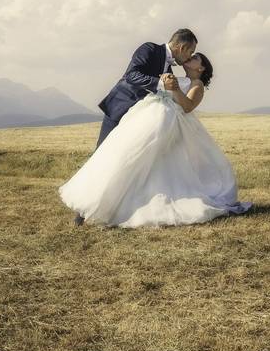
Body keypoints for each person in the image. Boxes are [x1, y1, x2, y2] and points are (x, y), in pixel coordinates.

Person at [59, 51, 252, 228]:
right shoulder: (179, 78)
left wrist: (174, 88)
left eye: (195, 58)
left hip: (174, 127)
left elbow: (187, 106)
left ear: (200, 68)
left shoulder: (197, 85)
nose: (190, 58)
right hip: (151, 117)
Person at [95, 29, 198, 149]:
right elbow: (131, 75)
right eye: (191, 52)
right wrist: (161, 83)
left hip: (139, 117)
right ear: (182, 48)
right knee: (103, 150)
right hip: (120, 107)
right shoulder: (149, 49)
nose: (189, 57)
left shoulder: (169, 69)